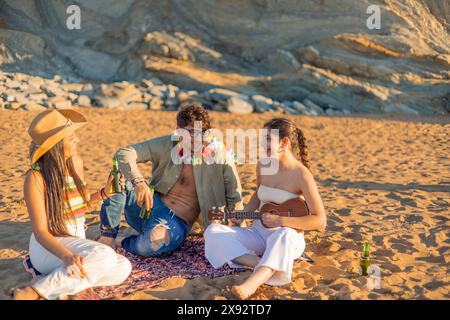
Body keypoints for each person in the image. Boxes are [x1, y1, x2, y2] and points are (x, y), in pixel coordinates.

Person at [97, 102, 243, 257]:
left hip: (176, 222)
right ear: (179, 131)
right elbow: (123, 154)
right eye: (190, 133)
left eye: (201, 133)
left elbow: (235, 195)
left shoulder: (219, 155)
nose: (196, 138)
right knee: (118, 174)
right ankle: (108, 237)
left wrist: (242, 226)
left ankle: (123, 242)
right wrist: (139, 182)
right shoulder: (168, 143)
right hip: (145, 208)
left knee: (150, 245)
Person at [13, 109, 131, 300]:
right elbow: (41, 232)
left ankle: (64, 283)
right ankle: (34, 292)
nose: (77, 140)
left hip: (76, 242)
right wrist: (66, 256)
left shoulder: (75, 164)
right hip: (49, 247)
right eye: (71, 137)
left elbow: (78, 208)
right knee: (104, 255)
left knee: (123, 267)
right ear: (57, 145)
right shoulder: (35, 177)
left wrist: (104, 193)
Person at [204, 118, 327, 300]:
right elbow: (259, 194)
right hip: (259, 234)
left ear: (284, 143)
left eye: (268, 138)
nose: (262, 143)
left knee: (283, 234)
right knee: (212, 231)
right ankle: (267, 264)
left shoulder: (301, 174)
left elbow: (320, 220)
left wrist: (281, 221)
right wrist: (243, 212)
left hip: (287, 238)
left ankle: (250, 286)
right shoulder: (263, 165)